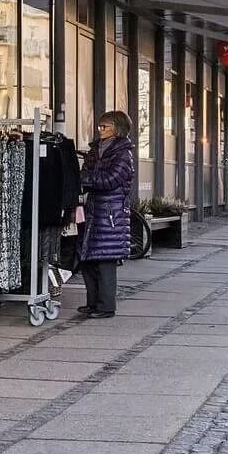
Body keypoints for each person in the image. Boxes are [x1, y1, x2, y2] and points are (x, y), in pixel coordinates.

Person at [77, 110, 138, 317]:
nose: (101, 130)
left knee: (105, 261)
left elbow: (111, 180)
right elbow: (88, 173)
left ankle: (106, 306)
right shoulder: (96, 150)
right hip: (93, 210)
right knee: (87, 259)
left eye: (106, 126)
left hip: (111, 214)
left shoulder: (123, 153)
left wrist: (86, 179)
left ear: (117, 129)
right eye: (100, 126)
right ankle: (93, 302)